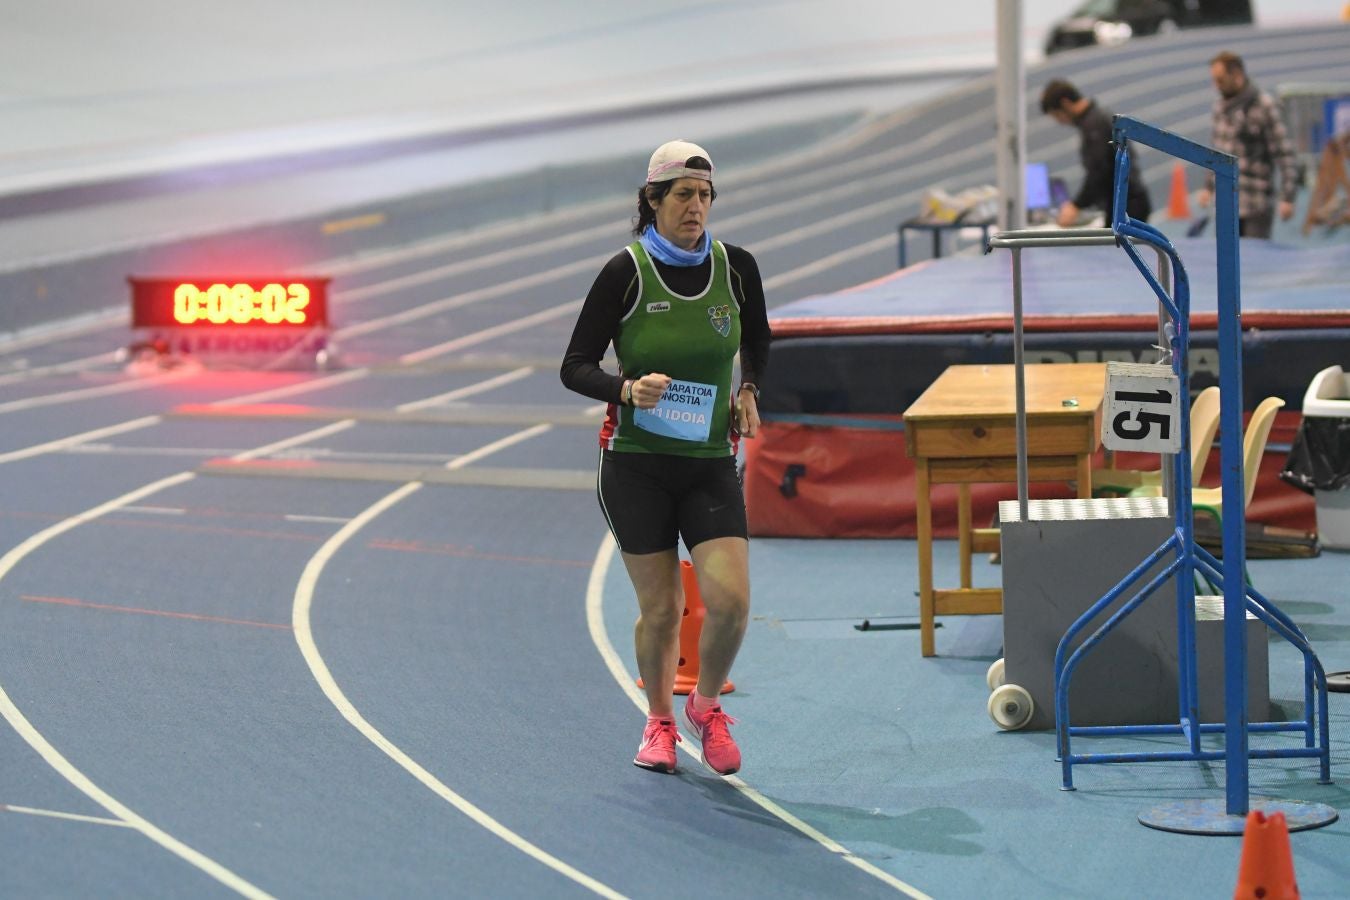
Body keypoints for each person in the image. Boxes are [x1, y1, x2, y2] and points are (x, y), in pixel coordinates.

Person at [560, 140, 771, 776]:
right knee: (661, 609)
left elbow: (757, 335)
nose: (696, 207)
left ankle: (704, 707)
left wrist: (750, 389)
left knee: (731, 600)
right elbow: (573, 366)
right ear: (651, 201)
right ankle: (657, 721)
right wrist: (625, 390)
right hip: (636, 463)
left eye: (705, 195)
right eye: (683, 195)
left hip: (707, 459)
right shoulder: (624, 273)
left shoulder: (737, 268)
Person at [1196, 51, 1300, 239]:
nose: (1215, 86)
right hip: (1225, 203)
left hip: (1256, 204)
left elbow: (1284, 153)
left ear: (1236, 76)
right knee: (1226, 263)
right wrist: (1208, 186)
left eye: (1220, 80)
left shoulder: (1264, 105)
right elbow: (1216, 151)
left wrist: (1288, 196)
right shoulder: (1219, 107)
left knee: (1255, 263)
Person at [1040, 79, 1152, 227]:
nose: (1060, 122)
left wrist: (1075, 206)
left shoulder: (1094, 125)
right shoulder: (1096, 119)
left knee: (1114, 248)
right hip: (1124, 202)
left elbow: (1099, 171)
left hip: (1128, 204)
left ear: (1065, 103)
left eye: (1057, 115)